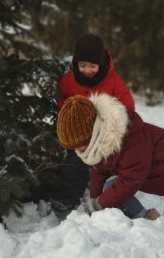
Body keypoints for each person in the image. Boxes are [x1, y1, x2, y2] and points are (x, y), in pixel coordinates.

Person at [57, 94, 164, 220]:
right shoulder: (101, 137)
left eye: (80, 145)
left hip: (161, 172)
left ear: (92, 133)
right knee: (109, 194)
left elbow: (128, 182)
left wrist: (98, 204)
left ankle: (146, 219)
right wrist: (94, 201)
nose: (78, 150)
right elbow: (100, 170)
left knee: (112, 186)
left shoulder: (130, 140)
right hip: (139, 168)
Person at [53, 34, 135, 217]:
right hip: (81, 133)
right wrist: (71, 116)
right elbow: (62, 100)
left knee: (106, 164)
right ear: (76, 63)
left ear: (101, 63)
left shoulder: (113, 80)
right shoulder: (68, 80)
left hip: (105, 131)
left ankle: (106, 196)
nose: (87, 70)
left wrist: (113, 122)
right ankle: (67, 198)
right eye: (82, 65)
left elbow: (128, 107)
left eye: (92, 66)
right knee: (74, 162)